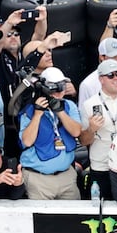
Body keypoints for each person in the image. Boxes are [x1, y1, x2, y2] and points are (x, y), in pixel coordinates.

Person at [18, 67, 86, 200]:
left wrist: (60, 111)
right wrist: (38, 115)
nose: (60, 93)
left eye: (62, 87)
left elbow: (76, 131)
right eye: (56, 88)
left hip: (66, 176)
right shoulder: (30, 110)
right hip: (39, 179)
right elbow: (26, 141)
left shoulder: (69, 106)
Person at [83, 58, 117, 199]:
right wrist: (91, 129)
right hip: (102, 165)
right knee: (102, 210)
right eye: (111, 75)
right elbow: (83, 141)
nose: (116, 79)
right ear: (101, 79)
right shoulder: (89, 104)